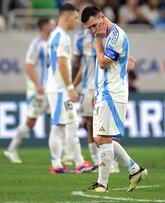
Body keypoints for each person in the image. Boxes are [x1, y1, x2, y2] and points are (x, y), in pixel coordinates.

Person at [80, 6, 147, 192]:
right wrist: (96, 91)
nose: (93, 31)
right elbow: (102, 68)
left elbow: (102, 63)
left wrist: (97, 39)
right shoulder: (102, 36)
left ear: (102, 17)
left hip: (113, 93)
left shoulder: (117, 36)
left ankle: (103, 184)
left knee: (102, 137)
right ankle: (135, 169)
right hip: (104, 91)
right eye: (89, 29)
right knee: (99, 138)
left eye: (94, 25)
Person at [45, 3, 93, 174]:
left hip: (57, 88)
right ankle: (63, 164)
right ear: (65, 17)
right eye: (74, 17)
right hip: (59, 89)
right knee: (60, 125)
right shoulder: (62, 37)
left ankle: (69, 163)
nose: (75, 21)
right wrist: (70, 87)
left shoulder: (54, 36)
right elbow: (62, 65)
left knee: (68, 123)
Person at [4, 18, 55, 164]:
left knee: (57, 120)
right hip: (39, 90)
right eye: (51, 24)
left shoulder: (53, 43)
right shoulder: (36, 44)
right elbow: (28, 67)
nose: (53, 26)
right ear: (44, 26)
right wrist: (37, 85)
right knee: (31, 120)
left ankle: (62, 154)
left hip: (50, 88)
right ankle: (11, 149)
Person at [72, 28, 99, 169]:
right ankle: (96, 160)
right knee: (89, 123)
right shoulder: (82, 38)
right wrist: (73, 86)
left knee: (106, 125)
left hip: (103, 88)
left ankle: (111, 161)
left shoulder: (108, 36)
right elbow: (83, 67)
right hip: (87, 88)